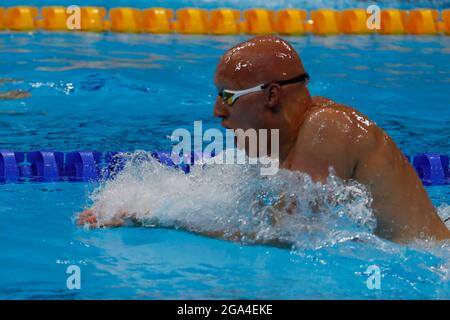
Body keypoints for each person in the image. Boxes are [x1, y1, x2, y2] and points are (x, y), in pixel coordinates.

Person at [78, 35, 450, 244]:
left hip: (431, 265)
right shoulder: (283, 137)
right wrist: (147, 202)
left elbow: (287, 235)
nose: (217, 112)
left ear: (271, 96)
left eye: (227, 97)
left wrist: (158, 215)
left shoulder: (329, 128)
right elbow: (248, 206)